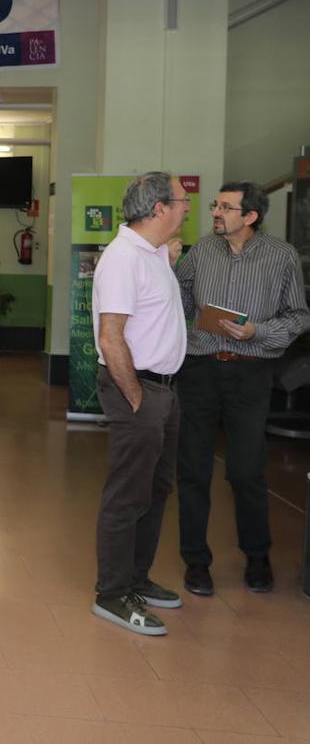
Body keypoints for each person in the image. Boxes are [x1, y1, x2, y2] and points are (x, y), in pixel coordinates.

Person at [175, 181, 310, 596]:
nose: (216, 212)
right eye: (216, 205)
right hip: (200, 371)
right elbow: (178, 296)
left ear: (250, 216)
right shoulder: (200, 252)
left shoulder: (281, 256)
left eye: (226, 207)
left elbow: (298, 316)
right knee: (193, 469)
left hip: (251, 374)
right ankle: (196, 562)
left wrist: (257, 332)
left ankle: (257, 555)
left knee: (246, 470)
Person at [90, 171, 190, 636]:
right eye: (183, 200)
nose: (189, 207)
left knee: (155, 489)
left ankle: (136, 579)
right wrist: (135, 399)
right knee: (128, 493)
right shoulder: (123, 258)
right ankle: (112, 593)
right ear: (159, 209)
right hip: (139, 389)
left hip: (163, 389)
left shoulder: (153, 255)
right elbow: (111, 338)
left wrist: (168, 259)